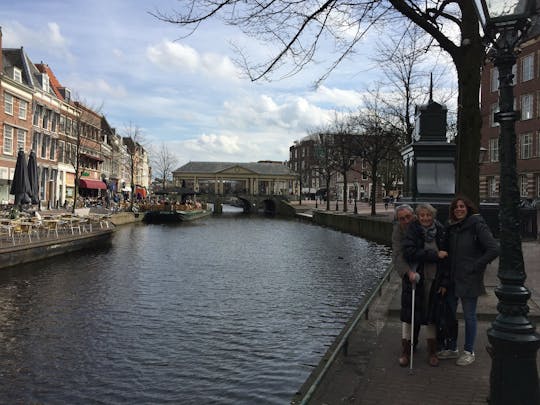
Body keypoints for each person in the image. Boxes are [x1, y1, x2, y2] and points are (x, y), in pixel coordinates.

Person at [443, 195, 499, 366]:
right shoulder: (452, 227)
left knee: (469, 316)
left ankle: (469, 351)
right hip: (452, 278)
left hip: (469, 278)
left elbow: (493, 249)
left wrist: (475, 266)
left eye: (462, 206)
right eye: (456, 207)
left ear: (468, 208)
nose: (459, 209)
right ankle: (452, 348)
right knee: (450, 315)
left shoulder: (476, 225)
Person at [402, 203, 449, 367]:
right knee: (410, 315)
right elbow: (409, 251)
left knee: (432, 316)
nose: (425, 218)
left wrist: (444, 281)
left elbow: (447, 258)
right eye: (422, 215)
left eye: (428, 215)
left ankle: (432, 351)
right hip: (416, 279)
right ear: (418, 216)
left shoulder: (441, 231)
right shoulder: (412, 230)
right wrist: (434, 255)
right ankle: (406, 352)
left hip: (435, 279)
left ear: (433, 216)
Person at [391, 204, 419, 367]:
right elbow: (397, 255)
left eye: (408, 217)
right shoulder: (398, 231)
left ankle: (433, 347)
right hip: (409, 273)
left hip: (425, 271)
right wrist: (408, 273)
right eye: (402, 218)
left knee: (426, 309)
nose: (406, 221)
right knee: (408, 310)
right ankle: (407, 347)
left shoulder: (422, 224)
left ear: (413, 215)